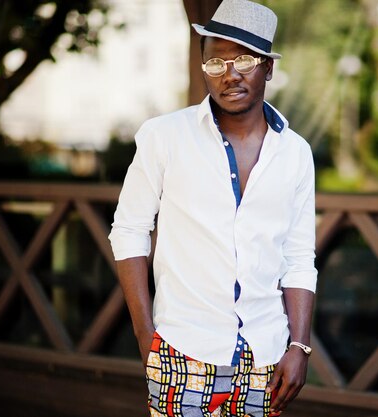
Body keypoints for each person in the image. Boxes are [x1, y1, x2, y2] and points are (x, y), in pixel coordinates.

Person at [108, 1, 317, 416]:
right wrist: (145, 336)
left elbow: (298, 256)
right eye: (216, 64)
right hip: (180, 350)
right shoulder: (164, 136)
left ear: (268, 68)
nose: (230, 74)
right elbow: (128, 230)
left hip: (265, 356)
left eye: (244, 60)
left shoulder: (295, 153)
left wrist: (299, 346)